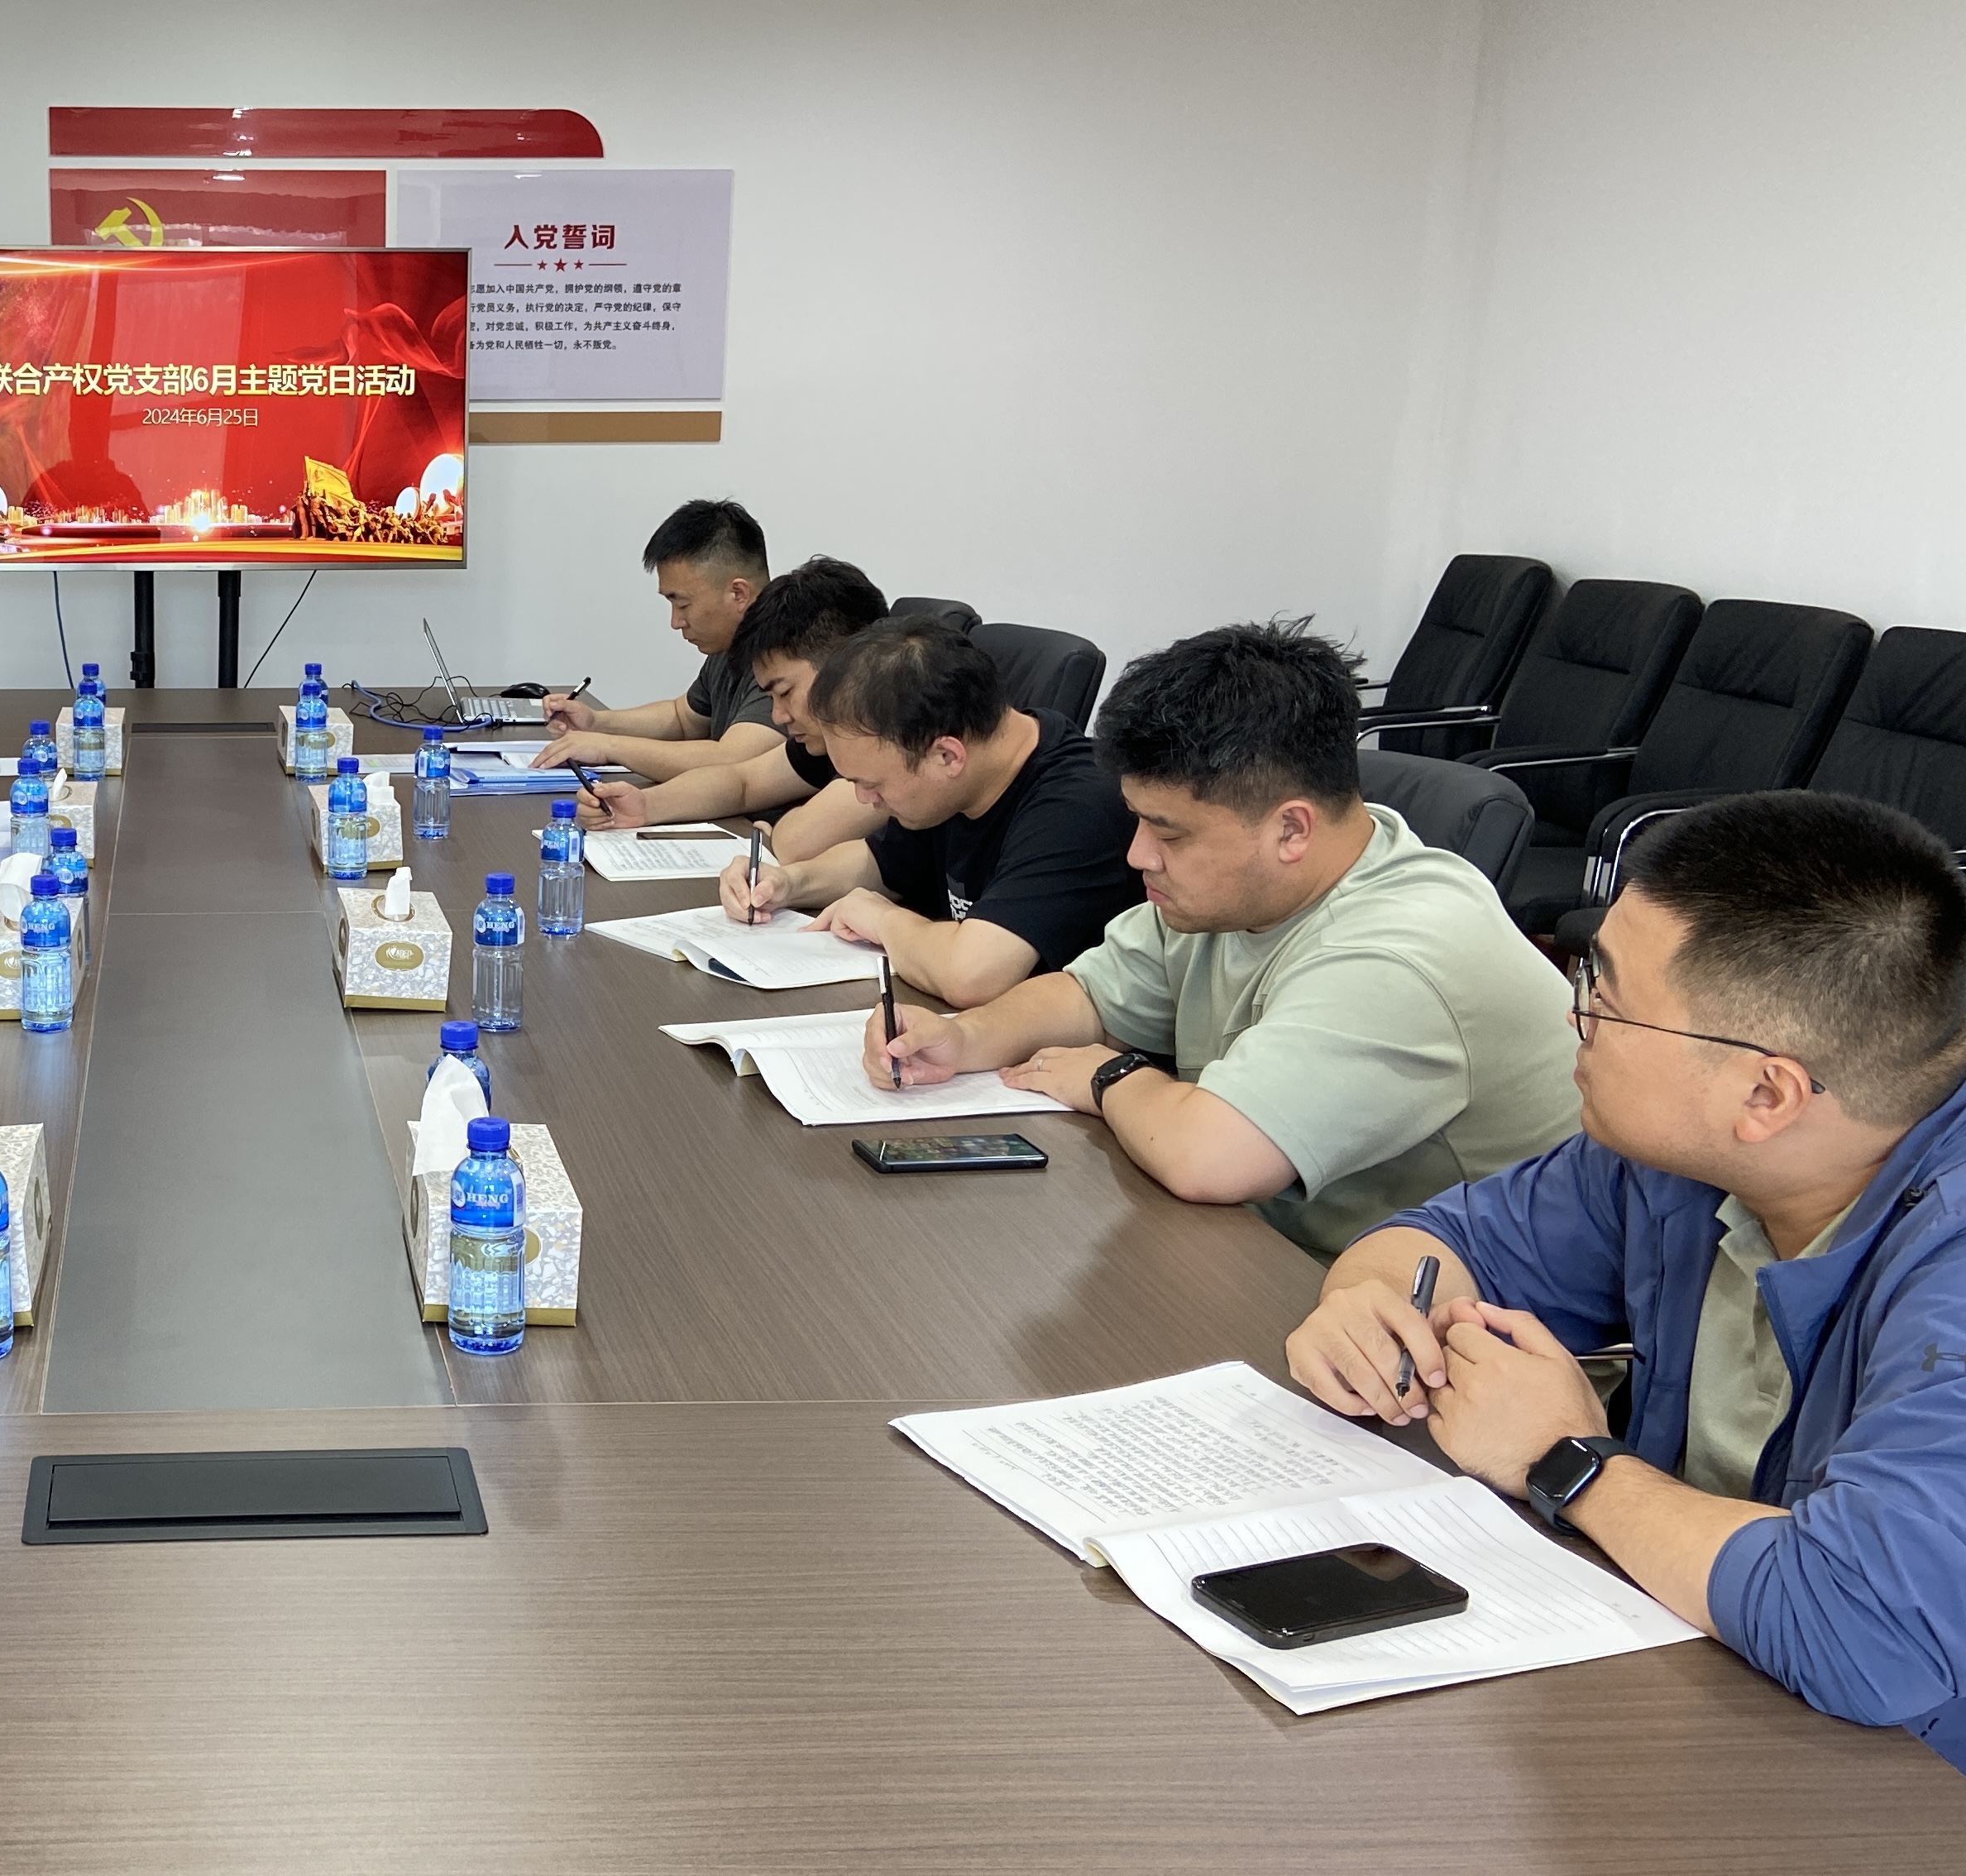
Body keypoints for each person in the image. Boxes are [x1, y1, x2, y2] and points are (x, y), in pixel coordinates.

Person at [1285, 792, 1966, 1769]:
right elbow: (1443, 1240)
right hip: (1691, 1678)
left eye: (1605, 994)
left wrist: (1570, 1462)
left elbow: (1870, 1630)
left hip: (1888, 1784)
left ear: (1765, 1093)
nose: (1579, 1018)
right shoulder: (1674, 1157)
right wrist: (1372, 1306)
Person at [876, 621, 1578, 1254]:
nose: (1138, 855)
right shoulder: (1241, 890)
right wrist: (963, 1038)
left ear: (1291, 829)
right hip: (1282, 1254)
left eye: (1169, 833)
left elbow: (1208, 1158)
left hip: (1445, 1323)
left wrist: (1108, 1075)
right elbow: (1089, 994)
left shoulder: (1401, 952)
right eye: (1137, 819)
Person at [715, 615, 1143, 1007]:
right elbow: (877, 863)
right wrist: (788, 883)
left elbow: (971, 975)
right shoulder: (962, 779)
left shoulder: (1077, 806)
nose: (864, 800)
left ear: (946, 756)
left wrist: (883, 919)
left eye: (872, 784)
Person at [574, 556, 890, 867]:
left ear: (846, 668)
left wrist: (778, 835)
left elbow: (796, 843)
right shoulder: (826, 739)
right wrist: (643, 805)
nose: (778, 716)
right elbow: (742, 783)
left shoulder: (894, 744)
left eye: (785, 693)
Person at [530, 499, 791, 780]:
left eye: (683, 604)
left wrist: (609, 747)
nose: (676, 622)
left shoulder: (788, 649)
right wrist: (596, 722)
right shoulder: (730, 643)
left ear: (738, 594)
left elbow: (732, 759)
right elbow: (682, 718)